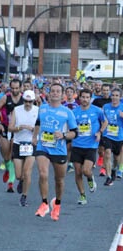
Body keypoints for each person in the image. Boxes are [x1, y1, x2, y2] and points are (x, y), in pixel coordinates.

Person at [32, 82, 77, 221]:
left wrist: (63, 135)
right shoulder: (43, 108)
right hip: (43, 146)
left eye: (58, 91)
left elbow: (75, 132)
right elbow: (38, 123)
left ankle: (57, 204)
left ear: (62, 94)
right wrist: (35, 136)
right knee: (43, 174)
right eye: (53, 91)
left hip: (59, 148)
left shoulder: (67, 112)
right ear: (49, 93)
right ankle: (44, 203)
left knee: (59, 180)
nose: (55, 93)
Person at [71, 88, 105, 205]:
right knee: (78, 172)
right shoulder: (74, 112)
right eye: (83, 97)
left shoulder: (97, 110)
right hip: (77, 144)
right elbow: (70, 126)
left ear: (90, 99)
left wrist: (100, 132)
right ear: (79, 98)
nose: (85, 99)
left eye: (87, 97)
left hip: (91, 145)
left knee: (86, 170)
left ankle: (90, 179)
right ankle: (82, 195)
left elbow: (105, 122)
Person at [10, 89, 40, 207]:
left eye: (30, 102)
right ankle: (21, 181)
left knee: (27, 172)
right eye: (26, 101)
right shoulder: (17, 110)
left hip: (31, 144)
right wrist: (20, 127)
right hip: (18, 143)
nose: (28, 104)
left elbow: (41, 127)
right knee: (19, 175)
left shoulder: (38, 111)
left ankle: (24, 196)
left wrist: (34, 130)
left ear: (33, 101)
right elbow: (10, 127)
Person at [101, 88, 123, 185]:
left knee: (116, 158)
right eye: (113, 95)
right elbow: (101, 118)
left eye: (116, 95)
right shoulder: (105, 107)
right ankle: (109, 177)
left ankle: (114, 169)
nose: (114, 97)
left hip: (118, 136)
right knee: (108, 153)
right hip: (107, 135)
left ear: (120, 97)